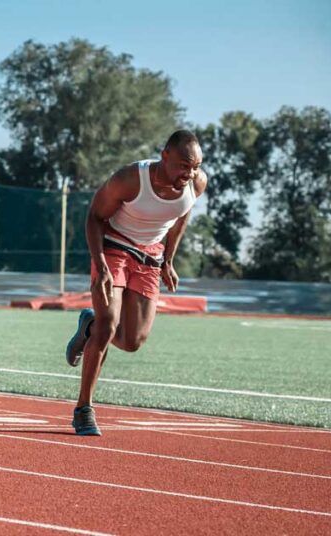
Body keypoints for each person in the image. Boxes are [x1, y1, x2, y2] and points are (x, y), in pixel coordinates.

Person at [64, 130, 207, 436]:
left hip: (149, 256)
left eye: (194, 166)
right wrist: (101, 264)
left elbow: (181, 217)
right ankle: (83, 409)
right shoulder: (131, 179)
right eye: (183, 165)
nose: (189, 173)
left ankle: (87, 326)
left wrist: (169, 259)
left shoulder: (196, 183)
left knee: (132, 342)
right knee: (108, 324)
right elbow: (94, 216)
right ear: (164, 156)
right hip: (114, 246)